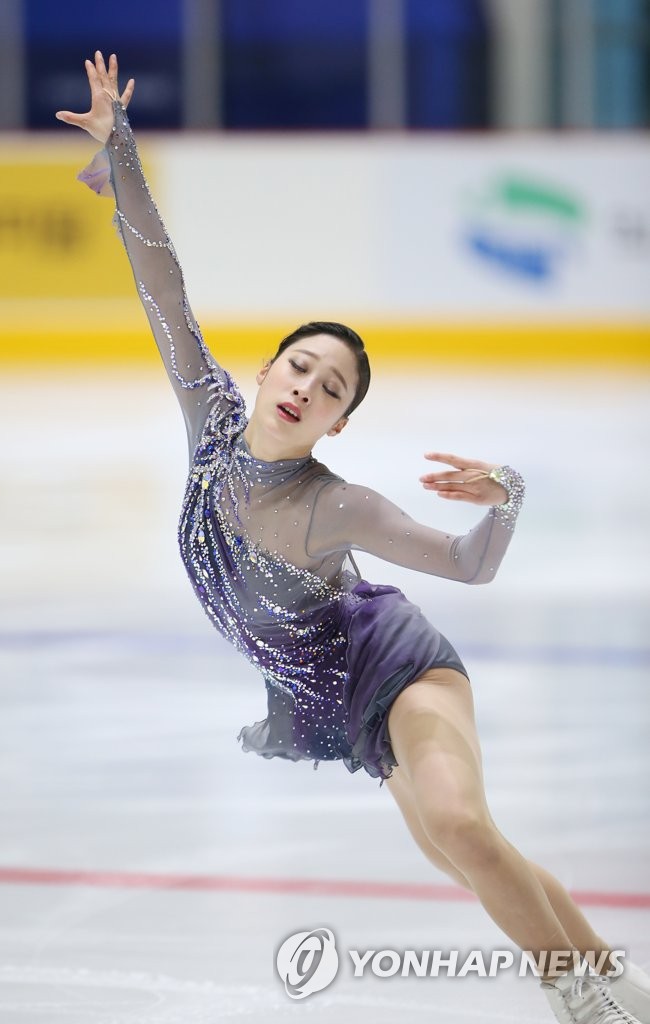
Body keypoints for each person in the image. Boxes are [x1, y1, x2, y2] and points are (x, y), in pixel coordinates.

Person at [56, 51, 650, 1024]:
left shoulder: (341, 503)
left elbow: (467, 565)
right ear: (267, 368)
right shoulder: (207, 415)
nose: (305, 387)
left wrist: (506, 493)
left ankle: (581, 1000)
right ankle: (613, 984)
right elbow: (158, 274)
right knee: (473, 851)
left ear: (336, 425)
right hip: (347, 716)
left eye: (330, 389)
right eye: (299, 365)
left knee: (459, 827)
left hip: (402, 669)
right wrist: (119, 148)